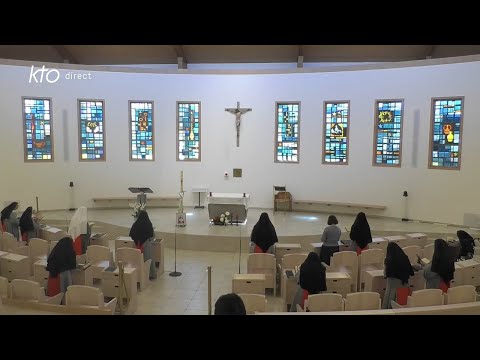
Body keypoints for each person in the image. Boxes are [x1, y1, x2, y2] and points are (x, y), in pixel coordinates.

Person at [382, 242, 414, 309]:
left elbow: (385, 275)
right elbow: (411, 272)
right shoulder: (405, 258)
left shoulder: (388, 260)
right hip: (404, 287)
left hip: (392, 290)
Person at [129, 210, 157, 279]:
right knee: (148, 260)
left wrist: (137, 240)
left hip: (137, 245)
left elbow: (131, 234)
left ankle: (138, 275)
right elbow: (152, 235)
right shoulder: (148, 224)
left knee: (138, 260)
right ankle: (150, 275)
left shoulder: (135, 224)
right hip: (146, 245)